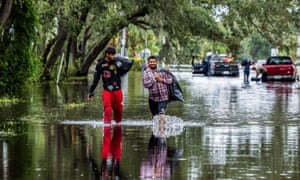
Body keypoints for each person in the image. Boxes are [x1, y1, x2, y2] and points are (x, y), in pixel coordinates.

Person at [88, 46, 131, 124]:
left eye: (114, 55)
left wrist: (122, 72)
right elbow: (95, 80)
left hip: (117, 90)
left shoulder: (117, 61)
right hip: (107, 91)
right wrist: (91, 92)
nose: (113, 56)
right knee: (107, 109)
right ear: (106, 54)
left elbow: (130, 62)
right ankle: (106, 126)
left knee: (119, 110)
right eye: (111, 55)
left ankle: (118, 126)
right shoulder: (100, 64)